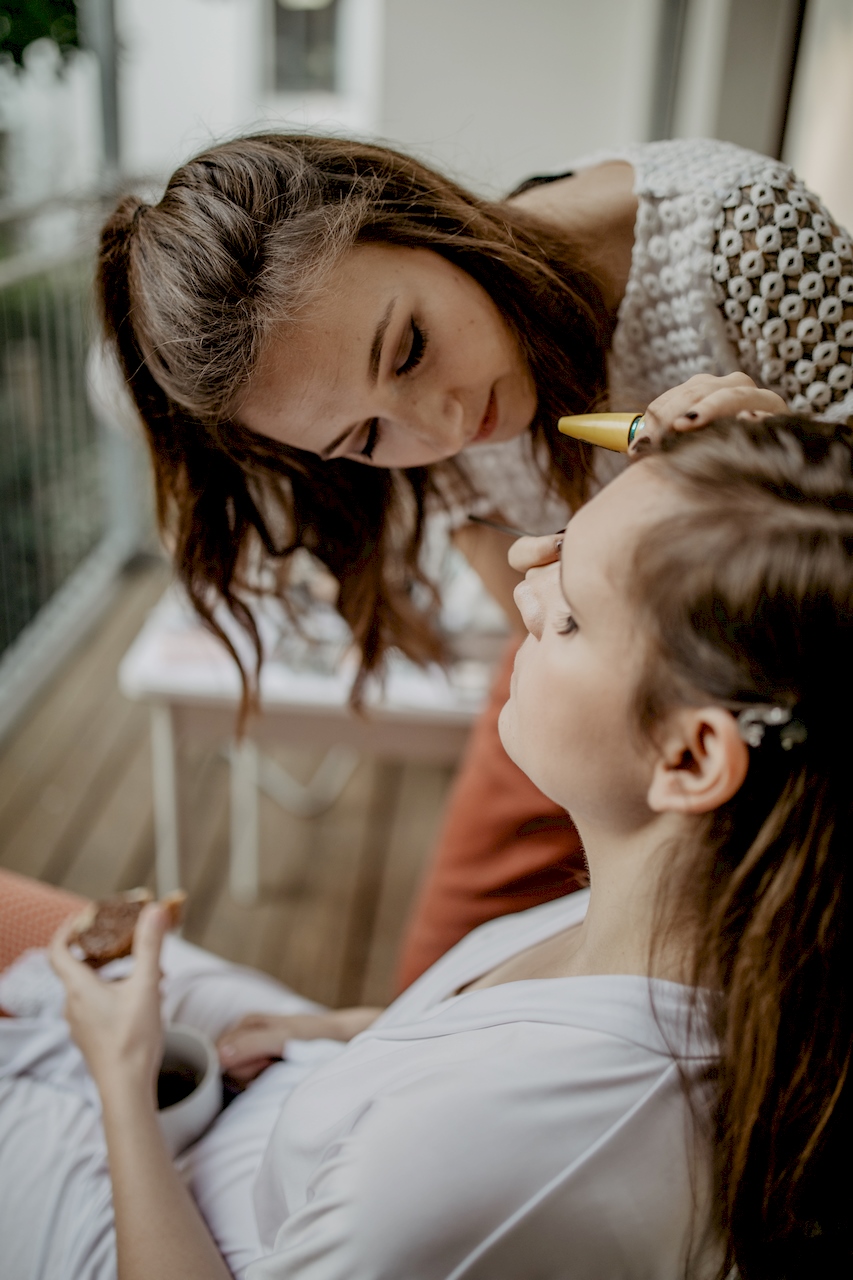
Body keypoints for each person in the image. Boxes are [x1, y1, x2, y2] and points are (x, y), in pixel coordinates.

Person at [2, 411, 851, 1278]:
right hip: (286, 1092)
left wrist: (124, 1080)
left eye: (570, 619)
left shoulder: (488, 1156)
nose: (523, 586)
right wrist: (341, 1035)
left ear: (689, 755)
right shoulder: (709, 934)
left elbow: (464, 1149)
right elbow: (485, 1050)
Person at [97, 133, 852, 983]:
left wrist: (788, 469)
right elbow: (529, 619)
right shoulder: (432, 442)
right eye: (366, 437)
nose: (444, 431)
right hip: (587, 660)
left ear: (416, 219)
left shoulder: (744, 237)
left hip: (799, 677)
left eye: (410, 348)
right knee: (441, 975)